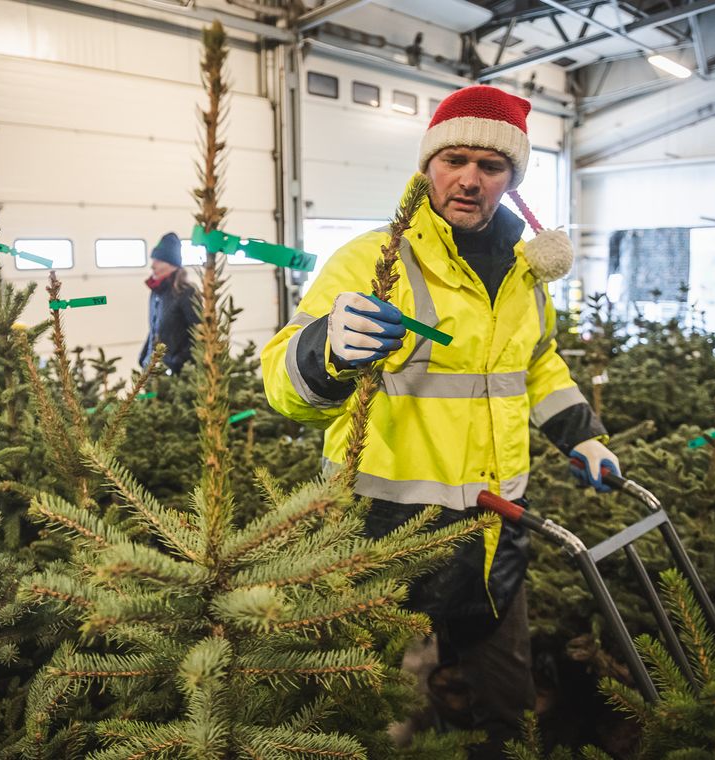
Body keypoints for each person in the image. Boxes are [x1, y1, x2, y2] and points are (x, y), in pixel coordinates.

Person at [261, 85, 620, 755]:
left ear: (511, 180)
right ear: (428, 165)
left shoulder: (525, 273)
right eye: (454, 159)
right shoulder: (374, 259)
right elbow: (281, 380)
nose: (469, 178)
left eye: (491, 166)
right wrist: (329, 350)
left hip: (493, 533)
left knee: (508, 706)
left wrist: (584, 435)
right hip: (384, 536)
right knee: (385, 715)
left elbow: (537, 364)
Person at [140, 232, 200, 374]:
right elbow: (155, 330)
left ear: (172, 264)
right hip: (155, 369)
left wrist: (178, 363)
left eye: (158, 261)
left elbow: (198, 333)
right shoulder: (156, 292)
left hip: (177, 373)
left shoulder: (185, 292)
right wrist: (143, 357)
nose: (152, 266)